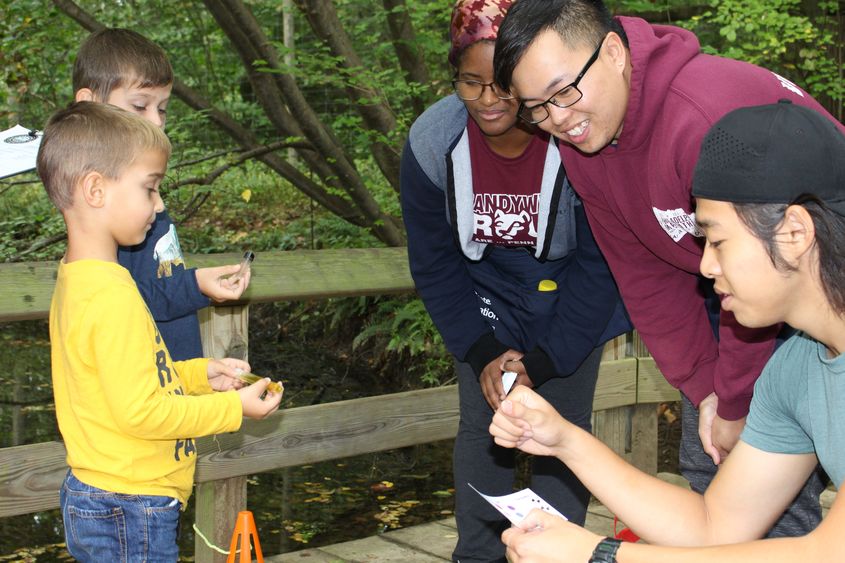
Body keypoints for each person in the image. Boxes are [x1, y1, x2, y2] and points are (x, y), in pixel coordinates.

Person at [492, 0, 845, 536]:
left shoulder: (706, 122)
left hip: (805, 280)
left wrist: (733, 402)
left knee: (758, 474)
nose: (557, 120)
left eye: (565, 92)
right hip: (758, 287)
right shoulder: (584, 142)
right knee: (713, 463)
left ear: (612, 52)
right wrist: (709, 392)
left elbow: (767, 261)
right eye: (536, 108)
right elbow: (643, 275)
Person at [400, 1, 628, 560]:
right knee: (484, 424)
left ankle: (556, 550)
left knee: (562, 426)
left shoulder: (572, 134)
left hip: (573, 293)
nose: (487, 100)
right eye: (469, 83)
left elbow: (601, 263)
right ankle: (478, 552)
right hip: (485, 294)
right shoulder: (433, 143)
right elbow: (434, 262)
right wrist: (482, 351)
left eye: (502, 84)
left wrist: (546, 361)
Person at [37, 101, 283, 562]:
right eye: (149, 189)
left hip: (107, 493)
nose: (157, 204)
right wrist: (232, 408)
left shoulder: (79, 279)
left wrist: (199, 375)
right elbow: (143, 414)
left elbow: (126, 383)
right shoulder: (108, 295)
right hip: (130, 504)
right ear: (95, 189)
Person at [73, 28, 250, 361]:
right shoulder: (108, 207)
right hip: (145, 386)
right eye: (140, 106)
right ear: (89, 105)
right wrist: (195, 284)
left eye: (163, 109)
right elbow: (125, 300)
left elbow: (156, 279)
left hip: (176, 377)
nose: (155, 121)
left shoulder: (132, 194)